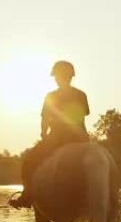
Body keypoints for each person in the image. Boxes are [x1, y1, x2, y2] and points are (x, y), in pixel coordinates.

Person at [8, 60, 90, 209]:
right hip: (81, 138)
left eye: (56, 77)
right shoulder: (81, 94)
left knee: (30, 161)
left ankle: (26, 197)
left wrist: (44, 135)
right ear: (71, 76)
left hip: (58, 138)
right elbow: (82, 118)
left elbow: (44, 120)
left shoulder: (51, 96)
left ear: (57, 77)